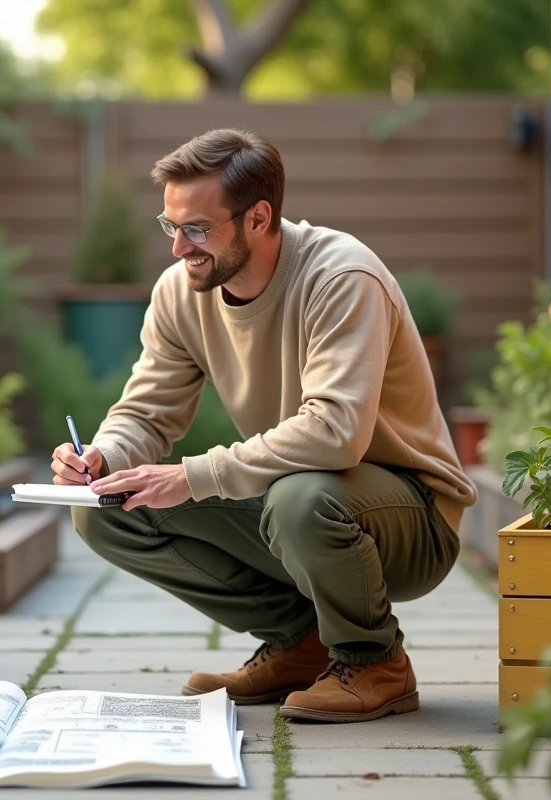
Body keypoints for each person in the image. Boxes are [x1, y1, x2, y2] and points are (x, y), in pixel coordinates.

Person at [50, 128, 477, 724]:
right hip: (301, 497)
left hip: (410, 516)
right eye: (170, 226)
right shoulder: (181, 292)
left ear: (258, 217)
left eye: (197, 228)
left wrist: (196, 475)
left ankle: (373, 660)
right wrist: (102, 457)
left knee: (300, 498)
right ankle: (301, 644)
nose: (178, 248)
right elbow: (146, 412)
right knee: (107, 509)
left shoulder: (341, 277)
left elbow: (335, 433)